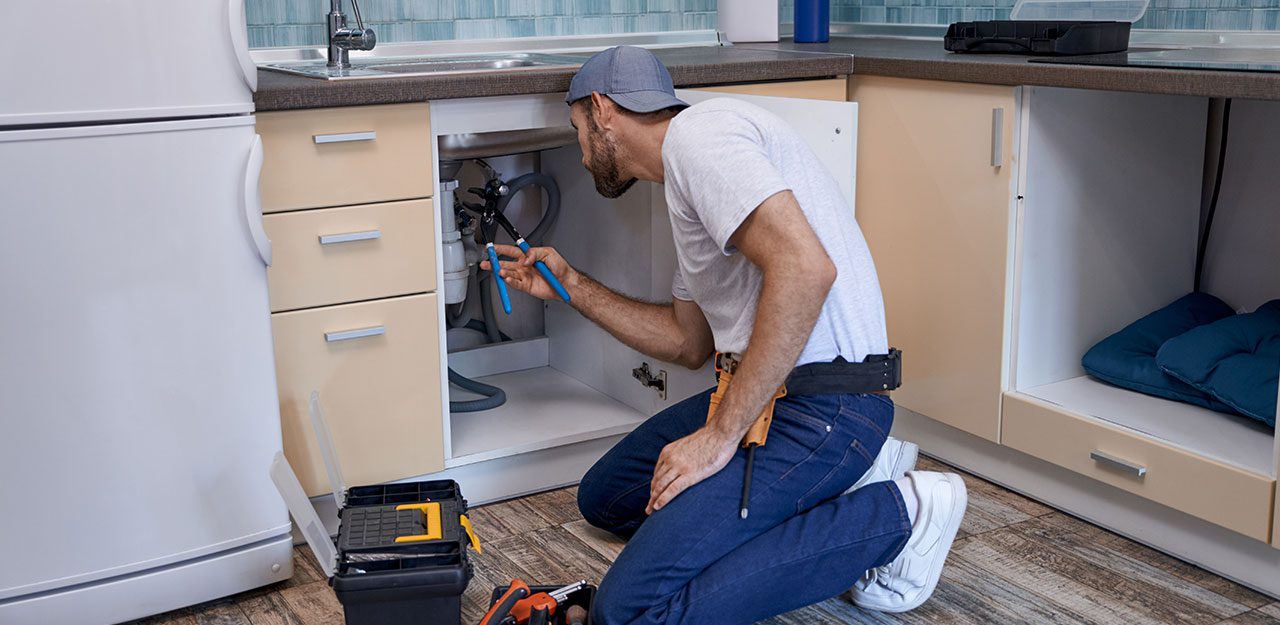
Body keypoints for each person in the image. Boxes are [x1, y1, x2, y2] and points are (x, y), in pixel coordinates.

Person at [482, 46, 969, 625]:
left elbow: (806, 268)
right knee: (608, 497)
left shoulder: (700, 138)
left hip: (825, 407)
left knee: (627, 612)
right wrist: (570, 285)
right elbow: (688, 342)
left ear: (601, 109)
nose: (583, 154)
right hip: (773, 400)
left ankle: (904, 513)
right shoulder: (689, 184)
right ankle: (840, 482)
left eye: (577, 130)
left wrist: (718, 437)